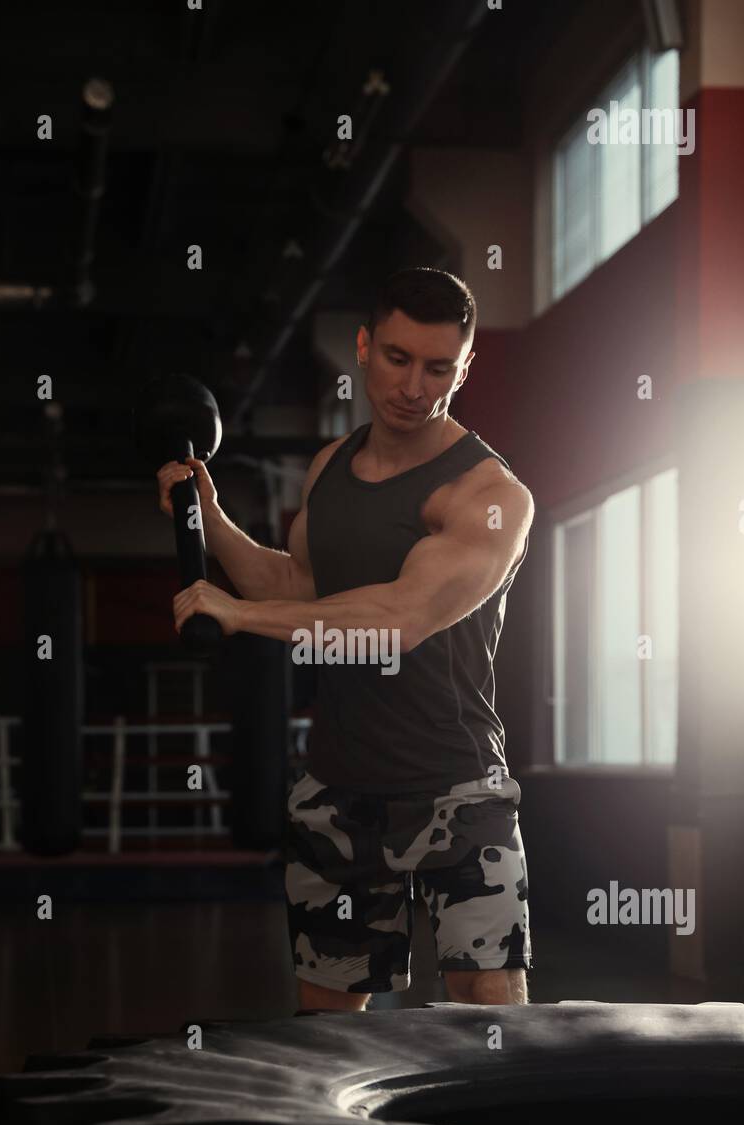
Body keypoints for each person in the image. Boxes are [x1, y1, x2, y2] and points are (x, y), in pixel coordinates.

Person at [160, 266, 534, 1011]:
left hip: (456, 789)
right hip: (339, 789)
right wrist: (210, 516)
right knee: (328, 1034)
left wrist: (237, 615)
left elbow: (397, 620)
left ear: (465, 367)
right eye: (397, 359)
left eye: (439, 369)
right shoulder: (330, 469)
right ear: (363, 347)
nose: (414, 387)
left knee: (491, 1017)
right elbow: (300, 591)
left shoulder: (490, 496)